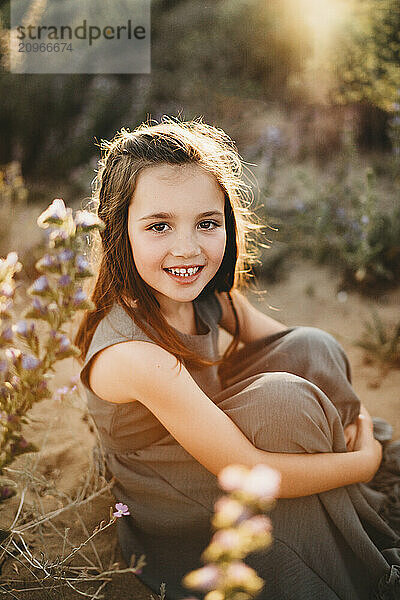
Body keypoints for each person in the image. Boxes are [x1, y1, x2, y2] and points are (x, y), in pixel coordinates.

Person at [75, 117, 400, 600]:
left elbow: (303, 353)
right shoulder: (136, 355)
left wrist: (361, 417)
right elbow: (243, 469)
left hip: (216, 443)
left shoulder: (209, 298)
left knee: (313, 346)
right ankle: (337, 508)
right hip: (179, 502)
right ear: (118, 229)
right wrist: (364, 460)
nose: (187, 248)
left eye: (206, 224)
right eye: (159, 226)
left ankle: (339, 488)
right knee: (282, 402)